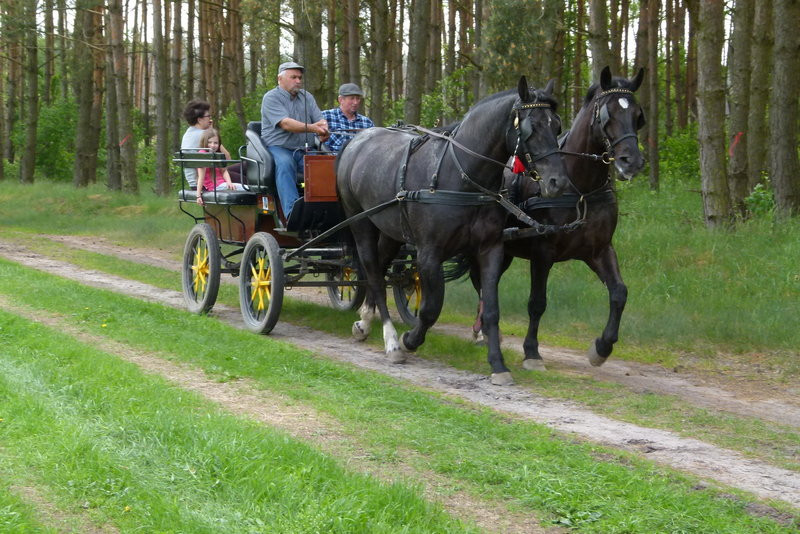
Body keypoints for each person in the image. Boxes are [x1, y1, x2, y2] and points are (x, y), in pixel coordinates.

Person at [260, 61, 330, 219]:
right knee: (285, 164)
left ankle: (324, 211)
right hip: (277, 147)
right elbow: (285, 123)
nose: (298, 81)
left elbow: (320, 119)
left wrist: (324, 129)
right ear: (280, 79)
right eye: (293, 77)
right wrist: (313, 128)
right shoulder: (271, 98)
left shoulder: (307, 97)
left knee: (323, 167)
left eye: (300, 77)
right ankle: (292, 214)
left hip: (303, 148)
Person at [195, 128, 244, 206]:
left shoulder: (217, 154)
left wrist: (229, 182)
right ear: (204, 142)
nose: (212, 145)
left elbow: (224, 171)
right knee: (248, 189)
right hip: (215, 187)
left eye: (216, 143)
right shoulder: (203, 154)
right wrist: (198, 196)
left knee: (246, 187)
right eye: (209, 142)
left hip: (222, 185)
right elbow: (201, 177)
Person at [321, 83, 374, 153]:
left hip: (360, 162)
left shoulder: (367, 123)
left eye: (357, 98)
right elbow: (315, 141)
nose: (355, 102)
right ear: (340, 100)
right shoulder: (325, 116)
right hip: (331, 161)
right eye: (352, 98)